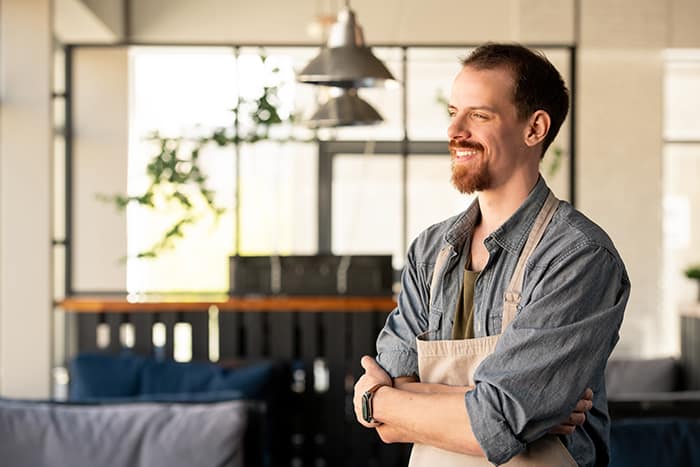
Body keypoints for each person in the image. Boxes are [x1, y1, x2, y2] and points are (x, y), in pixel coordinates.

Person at [353, 43, 630, 467]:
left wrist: (381, 398)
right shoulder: (430, 251)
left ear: (534, 129)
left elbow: (491, 425)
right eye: (452, 113)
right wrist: (489, 406)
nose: (454, 131)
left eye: (479, 115)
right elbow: (384, 425)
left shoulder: (579, 257)